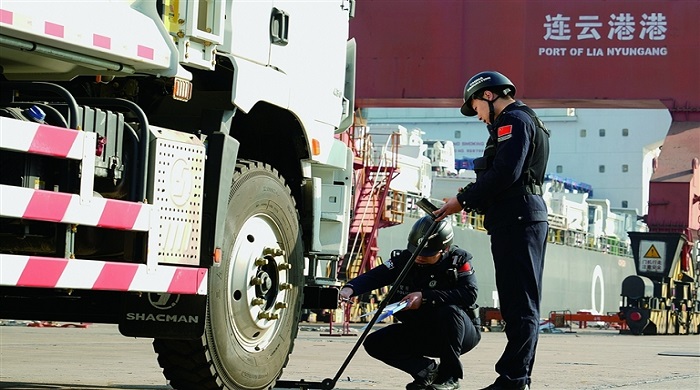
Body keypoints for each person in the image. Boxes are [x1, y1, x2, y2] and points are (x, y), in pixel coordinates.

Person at [434, 70, 550, 390]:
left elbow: (505, 173)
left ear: (488, 95)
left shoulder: (513, 120)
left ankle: (514, 379)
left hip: (519, 219)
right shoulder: (519, 121)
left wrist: (463, 199)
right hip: (514, 219)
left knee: (520, 304)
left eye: (477, 108)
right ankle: (515, 377)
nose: (479, 117)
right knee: (516, 304)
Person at [339, 216, 480, 390]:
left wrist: (426, 297)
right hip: (421, 329)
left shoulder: (457, 261)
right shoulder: (404, 260)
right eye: (417, 251)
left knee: (448, 311)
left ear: (444, 249)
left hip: (458, 332)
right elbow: (376, 276)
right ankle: (426, 371)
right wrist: (350, 289)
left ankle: (449, 376)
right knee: (375, 343)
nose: (420, 257)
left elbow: (469, 294)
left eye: (427, 254)